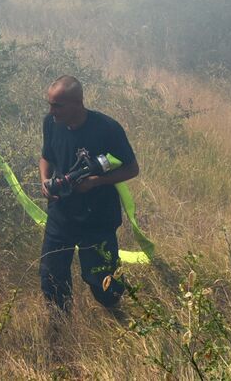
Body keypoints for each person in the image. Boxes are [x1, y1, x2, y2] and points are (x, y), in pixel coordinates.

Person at [39, 75, 139, 313]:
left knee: (103, 284)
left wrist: (97, 182)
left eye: (57, 105)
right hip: (61, 214)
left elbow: (132, 168)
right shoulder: (51, 123)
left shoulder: (107, 128)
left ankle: (117, 312)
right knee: (51, 275)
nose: (52, 111)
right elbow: (47, 156)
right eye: (50, 105)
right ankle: (60, 324)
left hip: (98, 220)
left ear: (78, 102)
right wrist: (45, 180)